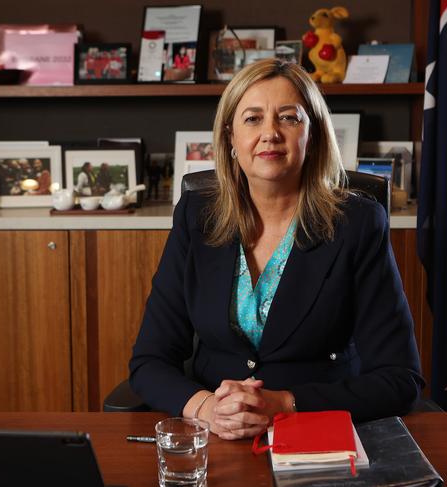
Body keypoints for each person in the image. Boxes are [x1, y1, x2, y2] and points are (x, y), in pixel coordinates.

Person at [129, 59, 423, 441]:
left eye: (288, 117)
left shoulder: (357, 223)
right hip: (215, 437)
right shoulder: (196, 216)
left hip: (317, 435)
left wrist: (284, 402)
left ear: (312, 135)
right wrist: (206, 407)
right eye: (252, 119)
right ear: (230, 138)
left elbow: (401, 379)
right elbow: (150, 360)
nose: (270, 133)